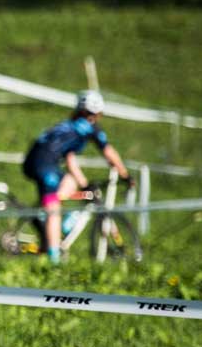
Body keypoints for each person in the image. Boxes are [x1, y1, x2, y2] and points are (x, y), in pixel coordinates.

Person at [22, 90, 132, 265]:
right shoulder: (90, 127)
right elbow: (109, 152)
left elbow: (70, 160)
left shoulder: (70, 125)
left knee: (70, 183)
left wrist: (84, 184)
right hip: (45, 164)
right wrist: (126, 175)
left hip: (36, 161)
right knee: (54, 209)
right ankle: (54, 258)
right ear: (97, 113)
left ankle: (44, 218)